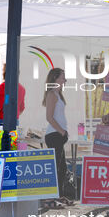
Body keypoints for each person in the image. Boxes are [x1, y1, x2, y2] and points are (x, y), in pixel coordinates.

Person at [43, 68, 69, 196]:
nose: (65, 80)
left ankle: (60, 195)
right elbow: (49, 117)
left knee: (62, 168)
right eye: (62, 77)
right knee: (57, 168)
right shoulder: (51, 94)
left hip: (58, 135)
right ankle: (52, 196)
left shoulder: (58, 95)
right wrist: (61, 131)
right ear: (55, 79)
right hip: (54, 135)